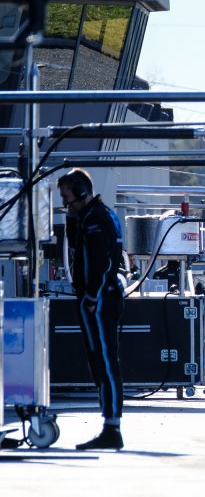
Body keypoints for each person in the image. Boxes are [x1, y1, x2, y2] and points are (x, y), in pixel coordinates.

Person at [58, 168, 127, 450]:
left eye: (67, 197)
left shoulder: (97, 217)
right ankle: (109, 424)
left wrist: (91, 295)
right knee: (99, 360)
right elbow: (77, 248)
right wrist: (71, 218)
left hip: (100, 299)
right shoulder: (91, 215)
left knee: (105, 360)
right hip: (97, 297)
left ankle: (112, 427)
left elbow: (102, 261)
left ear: (82, 192)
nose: (66, 203)